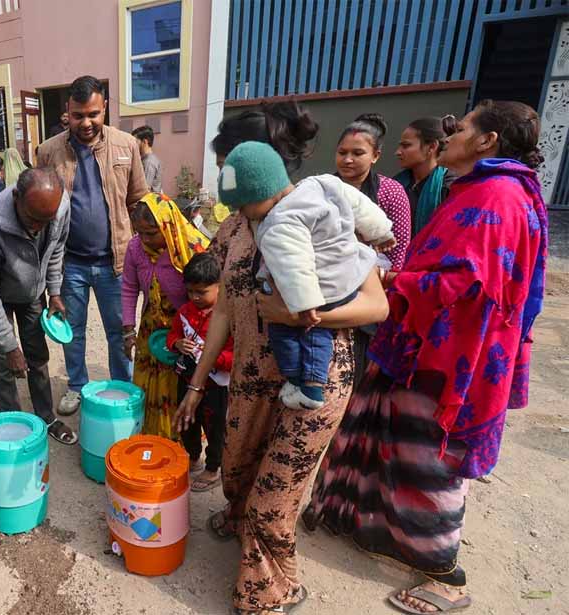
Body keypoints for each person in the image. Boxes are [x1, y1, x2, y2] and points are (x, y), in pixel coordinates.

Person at [307, 100, 547, 615]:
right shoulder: (482, 190)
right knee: (382, 435)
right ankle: (360, 521)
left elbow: (464, 284)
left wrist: (391, 279)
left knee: (428, 460)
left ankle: (446, 576)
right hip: (419, 343)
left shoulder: (497, 197)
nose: (449, 135)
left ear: (487, 141)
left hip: (444, 357)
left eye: (461, 128)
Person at [175, 100, 389, 614]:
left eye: (229, 164)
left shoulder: (320, 212)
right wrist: (197, 384)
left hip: (313, 378)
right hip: (250, 377)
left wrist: (302, 314)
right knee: (238, 471)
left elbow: (376, 306)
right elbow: (224, 308)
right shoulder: (234, 228)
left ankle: (271, 591)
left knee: (273, 501)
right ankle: (240, 521)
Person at [219, 141, 394, 410]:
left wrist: (303, 306)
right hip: (351, 273)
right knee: (311, 331)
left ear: (262, 193)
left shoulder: (279, 223)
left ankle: (305, 385)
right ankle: (307, 383)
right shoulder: (321, 184)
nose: (241, 214)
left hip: (324, 290)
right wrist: (380, 231)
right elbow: (360, 205)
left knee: (297, 332)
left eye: (243, 207)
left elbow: (295, 266)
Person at [37, 75, 148, 416]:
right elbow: (40, 206)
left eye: (93, 114)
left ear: (105, 109)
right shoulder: (48, 152)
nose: (86, 123)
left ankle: (122, 387)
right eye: (78, 115)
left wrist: (145, 254)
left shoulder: (126, 146)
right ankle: (76, 386)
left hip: (116, 262)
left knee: (119, 330)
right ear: (67, 112)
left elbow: (139, 200)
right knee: (72, 330)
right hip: (69, 263)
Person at [0, 168, 77, 444]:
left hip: (33, 293)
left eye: (45, 221)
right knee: (5, 363)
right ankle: (13, 426)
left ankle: (46, 417)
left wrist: (54, 291)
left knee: (37, 356)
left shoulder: (59, 206)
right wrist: (9, 346)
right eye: (32, 219)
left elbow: (56, 248)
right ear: (16, 197)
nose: (38, 228)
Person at [122, 194, 209, 438]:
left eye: (151, 233)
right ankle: (151, 434)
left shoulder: (192, 247)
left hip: (185, 331)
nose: (145, 239)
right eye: (140, 232)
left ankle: (178, 439)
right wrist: (128, 329)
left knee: (178, 382)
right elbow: (129, 287)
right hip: (151, 329)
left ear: (167, 226)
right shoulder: (135, 248)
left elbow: (210, 294)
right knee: (148, 381)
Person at [165, 252, 230, 492]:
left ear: (219, 286)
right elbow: (173, 335)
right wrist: (177, 343)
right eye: (191, 291)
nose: (195, 297)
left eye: (201, 292)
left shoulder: (227, 319)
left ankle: (213, 468)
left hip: (215, 386)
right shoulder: (185, 311)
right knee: (187, 420)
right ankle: (193, 457)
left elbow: (235, 356)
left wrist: (213, 358)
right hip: (187, 378)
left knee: (215, 427)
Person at [335, 113, 411, 269]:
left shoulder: (391, 192)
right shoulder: (324, 188)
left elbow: (399, 249)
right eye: (342, 153)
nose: (347, 159)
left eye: (357, 153)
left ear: (375, 156)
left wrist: (384, 279)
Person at [395, 115, 458, 235]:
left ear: (432, 147)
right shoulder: (396, 184)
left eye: (406, 145)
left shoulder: (450, 187)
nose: (398, 152)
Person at [131, 125, 163, 193]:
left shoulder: (149, 162)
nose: (133, 145)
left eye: (135, 141)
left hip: (148, 199)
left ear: (145, 142)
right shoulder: (148, 159)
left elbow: (145, 190)